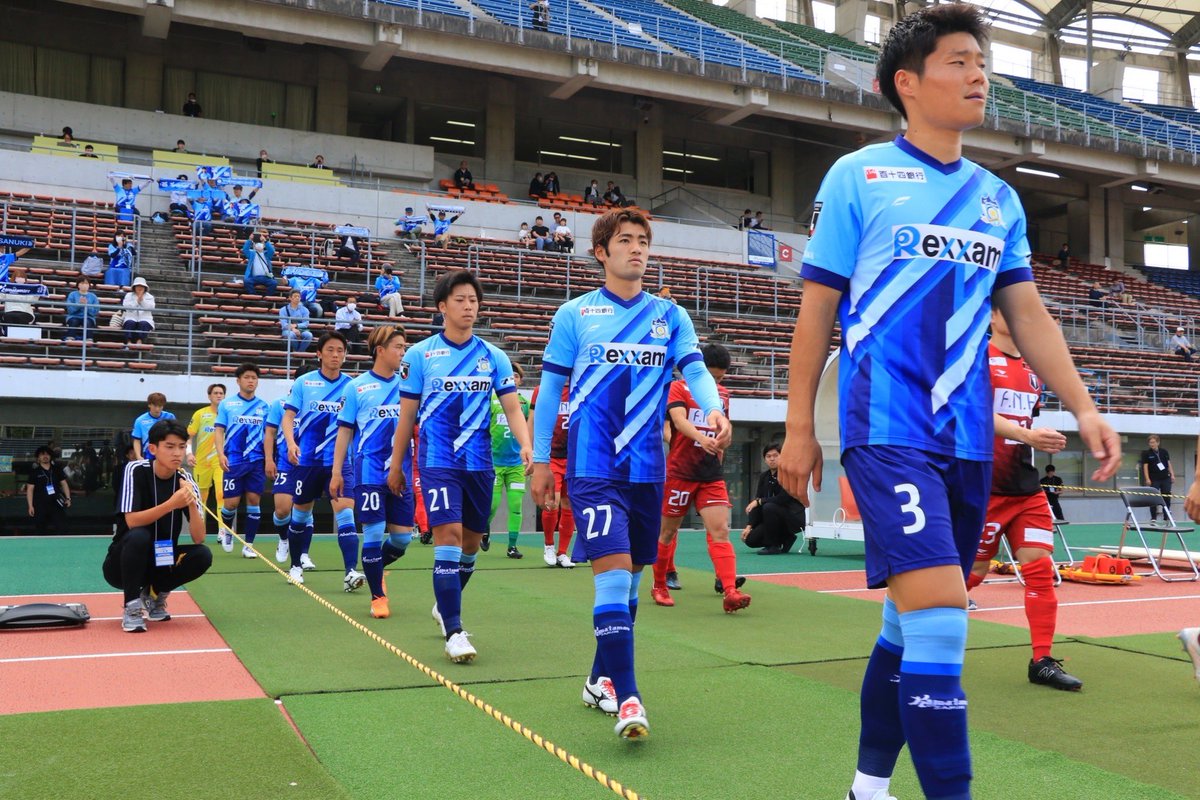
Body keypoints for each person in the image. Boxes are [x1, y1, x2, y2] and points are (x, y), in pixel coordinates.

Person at [775, 7, 1120, 800]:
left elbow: (1027, 313)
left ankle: (866, 788)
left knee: (907, 628)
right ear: (908, 82)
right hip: (886, 427)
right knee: (941, 617)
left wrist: (1084, 404)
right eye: (959, 61)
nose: (979, 76)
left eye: (981, 62)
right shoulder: (857, 176)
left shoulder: (998, 198)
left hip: (966, 440)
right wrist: (799, 428)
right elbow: (816, 313)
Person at [530, 209, 731, 740]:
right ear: (601, 251)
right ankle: (629, 697)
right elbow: (551, 391)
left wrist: (715, 410)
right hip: (593, 468)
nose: (636, 249)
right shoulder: (575, 315)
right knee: (615, 574)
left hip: (648, 470)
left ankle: (599, 678)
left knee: (632, 583)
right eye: (625, 241)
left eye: (643, 241)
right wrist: (537, 462)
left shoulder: (670, 315)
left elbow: (694, 372)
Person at [386, 270, 532, 664]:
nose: (469, 306)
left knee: (470, 546)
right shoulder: (419, 355)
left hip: (480, 464)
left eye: (473, 300)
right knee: (447, 536)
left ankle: (443, 605)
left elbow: (513, 407)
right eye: (461, 300)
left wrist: (526, 444)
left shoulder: (494, 356)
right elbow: (407, 417)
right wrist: (396, 464)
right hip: (438, 462)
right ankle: (454, 630)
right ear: (442, 307)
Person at [965, 307, 1081, 690]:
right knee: (971, 576)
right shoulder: (975, 355)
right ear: (991, 316)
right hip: (983, 487)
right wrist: (1027, 435)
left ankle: (1042, 661)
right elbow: (972, 414)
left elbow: (1023, 425)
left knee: (1040, 570)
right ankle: (903, 633)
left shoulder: (1033, 370)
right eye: (1005, 310)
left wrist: (1037, 437)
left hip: (1025, 489)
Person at [653, 343, 750, 612]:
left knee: (719, 531)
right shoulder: (678, 388)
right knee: (668, 531)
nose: (716, 383)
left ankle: (730, 590)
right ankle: (660, 584)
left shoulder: (723, 396)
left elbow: (722, 429)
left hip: (710, 474)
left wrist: (723, 439)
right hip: (680, 472)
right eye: (711, 376)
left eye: (720, 378)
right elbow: (679, 421)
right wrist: (700, 438)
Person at [333, 325, 415, 618]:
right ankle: (378, 597)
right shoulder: (356, 387)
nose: (403, 353)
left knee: (403, 539)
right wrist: (336, 472)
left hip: (401, 473)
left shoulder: (409, 385)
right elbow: (343, 432)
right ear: (380, 350)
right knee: (374, 531)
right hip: (368, 472)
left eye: (405, 348)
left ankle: (374, 568)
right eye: (398, 347)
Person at [105, 420, 210, 633]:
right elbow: (132, 521)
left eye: (182, 447)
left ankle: (154, 594)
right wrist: (171, 504)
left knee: (203, 555)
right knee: (139, 536)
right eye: (170, 447)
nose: (177, 453)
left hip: (162, 560)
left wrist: (190, 502)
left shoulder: (185, 479)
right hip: (122, 564)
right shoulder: (135, 470)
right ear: (153, 449)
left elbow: (199, 537)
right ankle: (132, 607)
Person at [279, 333, 360, 588]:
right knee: (300, 516)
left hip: (339, 464)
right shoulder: (304, 383)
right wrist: (291, 443)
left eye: (340, 350)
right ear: (319, 353)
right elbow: (288, 417)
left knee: (346, 514)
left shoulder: (352, 386)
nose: (336, 355)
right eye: (331, 350)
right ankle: (295, 566)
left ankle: (351, 572)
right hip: (307, 462)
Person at [213, 363, 269, 558]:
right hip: (234, 460)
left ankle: (249, 545)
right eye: (247, 377)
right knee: (231, 504)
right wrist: (221, 454)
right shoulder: (227, 404)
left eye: (254, 377)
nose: (251, 381)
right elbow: (219, 430)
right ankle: (227, 532)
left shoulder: (264, 406)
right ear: (238, 381)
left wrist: (270, 458)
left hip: (256, 460)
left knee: (254, 501)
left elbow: (269, 434)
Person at [488, 363, 532, 559]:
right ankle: (484, 530)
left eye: (516, 376)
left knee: (516, 505)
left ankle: (512, 546)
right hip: (494, 462)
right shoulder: (492, 399)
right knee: (492, 505)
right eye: (510, 375)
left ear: (520, 380)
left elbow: (528, 430)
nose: (513, 379)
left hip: (515, 464)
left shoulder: (523, 403)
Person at [529, 383, 574, 567]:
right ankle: (549, 545)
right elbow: (531, 420)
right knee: (551, 502)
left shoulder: (579, 387)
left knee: (569, 503)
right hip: (550, 456)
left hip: (574, 456)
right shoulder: (543, 389)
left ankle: (563, 552)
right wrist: (529, 449)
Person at [740, 442, 805, 554]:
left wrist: (759, 501)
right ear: (765, 460)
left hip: (794, 517)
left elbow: (783, 499)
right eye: (768, 456)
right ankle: (786, 537)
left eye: (775, 456)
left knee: (769, 507)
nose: (772, 459)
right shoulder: (764, 476)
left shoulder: (789, 474)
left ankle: (772, 546)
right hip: (773, 517)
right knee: (750, 540)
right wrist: (749, 526)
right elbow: (758, 500)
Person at [264, 394, 302, 566]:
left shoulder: (321, 402)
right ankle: (283, 538)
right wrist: (269, 459)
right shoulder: (279, 404)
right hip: (285, 463)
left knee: (304, 512)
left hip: (309, 463)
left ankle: (303, 555)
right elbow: (270, 432)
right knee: (282, 510)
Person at [186, 383, 227, 522]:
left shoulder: (228, 414)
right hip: (202, 462)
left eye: (221, 393)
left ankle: (223, 530)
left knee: (221, 494)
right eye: (215, 393)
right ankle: (200, 528)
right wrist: (189, 454)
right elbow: (188, 437)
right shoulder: (200, 414)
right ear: (209, 396)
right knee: (200, 497)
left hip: (221, 462)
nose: (218, 395)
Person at [26, 446, 69, 535]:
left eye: (47, 454)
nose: (45, 456)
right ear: (38, 457)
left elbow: (64, 484)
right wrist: (30, 506)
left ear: (50, 456)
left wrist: (68, 498)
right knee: (40, 529)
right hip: (40, 504)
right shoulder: (35, 472)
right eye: (42, 454)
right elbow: (30, 490)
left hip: (56, 503)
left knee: (62, 527)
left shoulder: (57, 469)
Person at [1140, 434, 1174, 524]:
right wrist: (1147, 478)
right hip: (1154, 479)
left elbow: (1169, 464)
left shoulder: (1164, 452)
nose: (1152, 444)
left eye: (1153, 442)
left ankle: (1166, 516)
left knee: (1166, 496)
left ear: (1158, 442)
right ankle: (1153, 517)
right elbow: (1145, 467)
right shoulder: (1146, 454)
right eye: (1150, 443)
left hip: (1165, 478)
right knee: (1153, 497)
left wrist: (1172, 475)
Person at [131, 392, 176, 460]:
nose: (157, 409)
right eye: (155, 406)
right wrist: (138, 456)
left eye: (160, 406)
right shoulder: (140, 420)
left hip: (167, 450)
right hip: (149, 452)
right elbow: (136, 440)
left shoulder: (170, 417)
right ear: (149, 405)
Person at [0, 268, 39, 333]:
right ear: (14, 278)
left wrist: (37, 294)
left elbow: (33, 302)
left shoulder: (28, 289)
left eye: (22, 277)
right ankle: (8, 335)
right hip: (10, 311)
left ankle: (22, 335)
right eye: (18, 277)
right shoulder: (7, 288)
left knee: (20, 316)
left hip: (25, 312)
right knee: (8, 316)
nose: (20, 279)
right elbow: (1, 297)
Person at [121, 276, 155, 346]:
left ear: (145, 287)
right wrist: (137, 301)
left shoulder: (150, 297)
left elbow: (151, 307)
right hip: (131, 317)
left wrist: (142, 300)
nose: (139, 288)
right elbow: (127, 306)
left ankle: (139, 341)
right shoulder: (128, 295)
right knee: (129, 322)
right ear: (134, 287)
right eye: (138, 286)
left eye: (141, 286)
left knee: (144, 323)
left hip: (145, 318)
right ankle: (128, 342)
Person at [243, 229, 278, 296]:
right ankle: (254, 296)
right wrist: (250, 240)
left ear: (263, 245)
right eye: (257, 244)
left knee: (273, 283)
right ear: (254, 245)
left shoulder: (267, 254)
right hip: (254, 277)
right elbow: (245, 249)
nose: (259, 245)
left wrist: (264, 241)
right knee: (247, 282)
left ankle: (267, 297)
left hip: (266, 277)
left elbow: (272, 250)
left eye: (261, 244)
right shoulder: (251, 254)